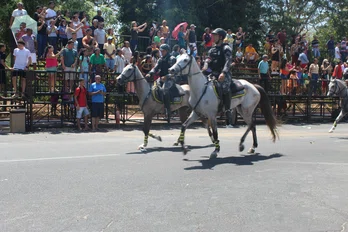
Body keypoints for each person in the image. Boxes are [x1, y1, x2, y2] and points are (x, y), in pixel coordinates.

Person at [203, 28, 243, 128]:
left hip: (224, 74)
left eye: (215, 35)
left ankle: (228, 114)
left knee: (225, 87)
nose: (213, 37)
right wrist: (205, 65)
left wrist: (223, 73)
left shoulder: (226, 48)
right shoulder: (213, 49)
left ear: (220, 37)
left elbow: (228, 61)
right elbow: (208, 59)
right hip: (213, 73)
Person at [146, 44, 178, 122]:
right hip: (162, 78)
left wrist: (167, 77)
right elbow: (156, 68)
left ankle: (168, 110)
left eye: (163, 51)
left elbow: (174, 72)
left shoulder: (172, 59)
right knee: (153, 88)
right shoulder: (161, 59)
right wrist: (150, 73)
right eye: (161, 51)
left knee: (164, 90)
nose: (161, 52)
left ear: (167, 51)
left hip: (171, 78)